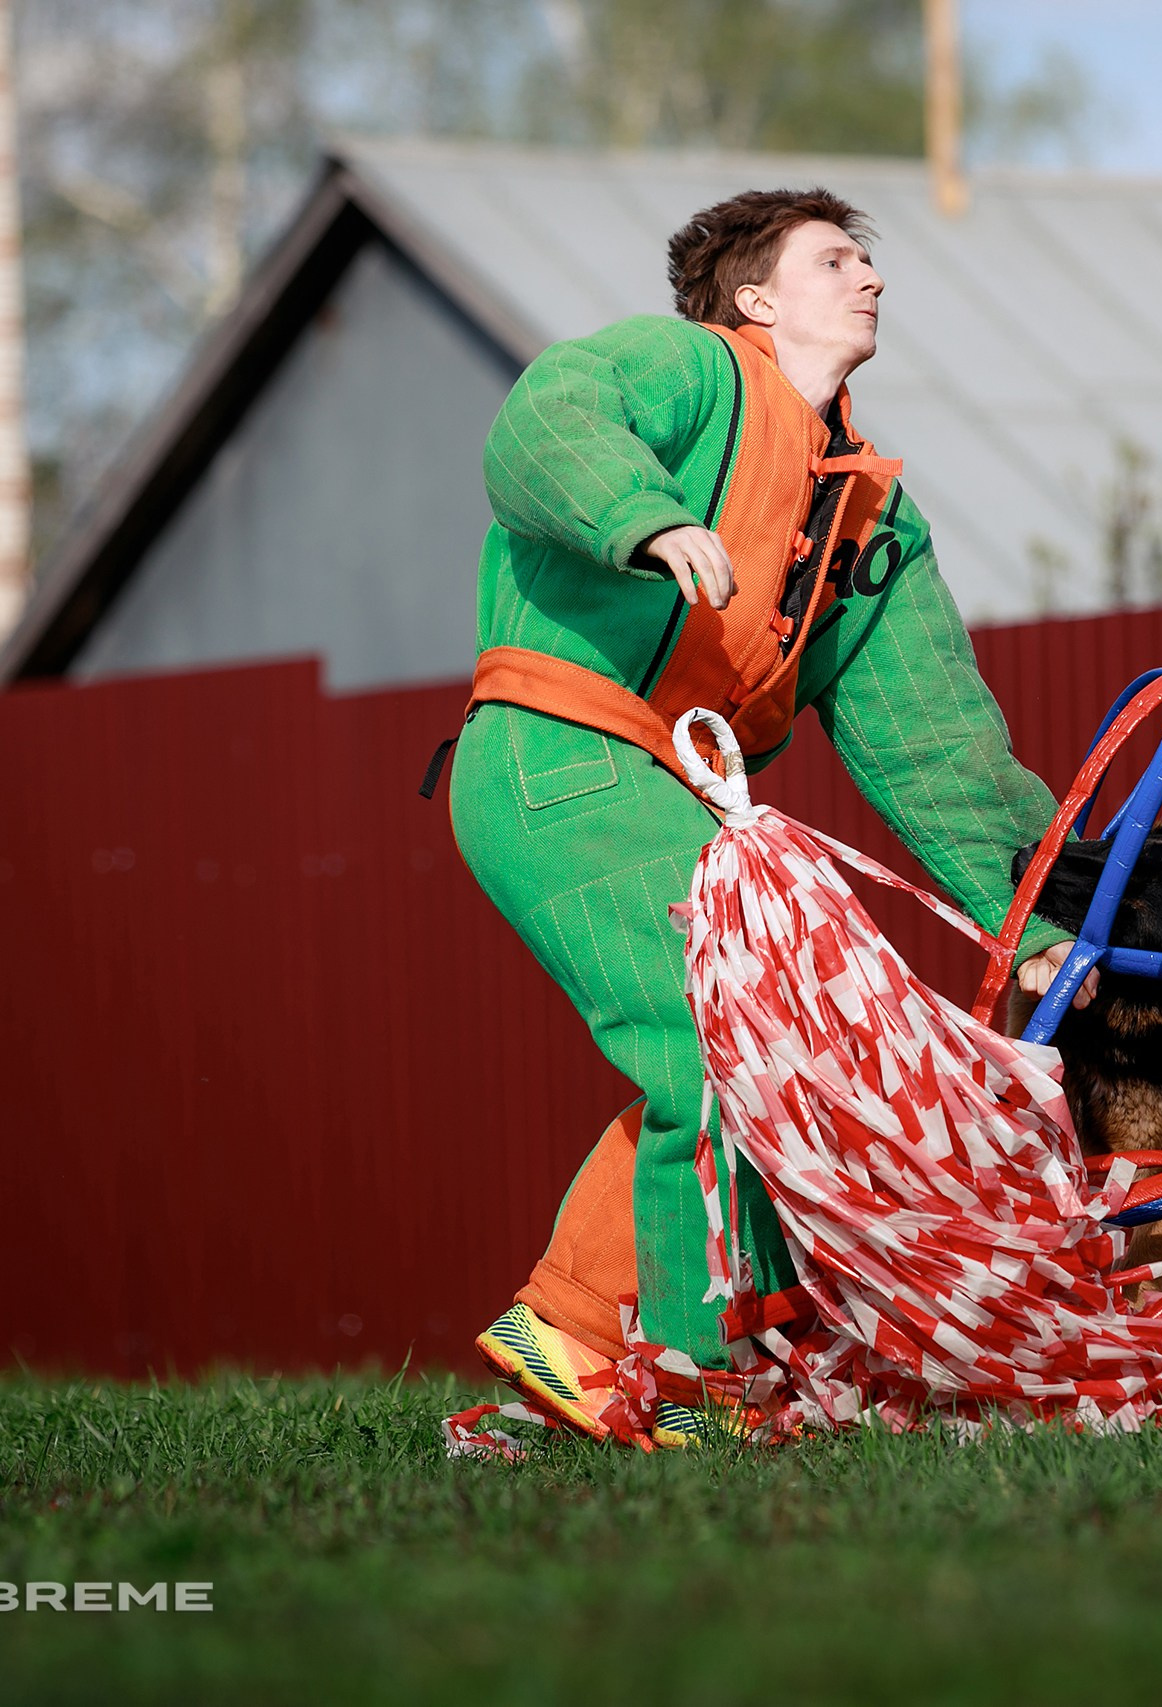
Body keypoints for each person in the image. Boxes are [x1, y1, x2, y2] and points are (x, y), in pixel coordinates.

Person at [452, 187, 1092, 1444]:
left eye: (868, 260)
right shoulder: (684, 366)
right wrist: (642, 516)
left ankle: (576, 1339)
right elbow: (545, 418)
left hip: (666, 787)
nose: (873, 278)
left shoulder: (868, 511)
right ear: (755, 298)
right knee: (730, 1049)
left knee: (767, 1052)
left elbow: (934, 742)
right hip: (557, 755)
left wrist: (1033, 916)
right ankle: (694, 1390)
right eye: (837, 259)